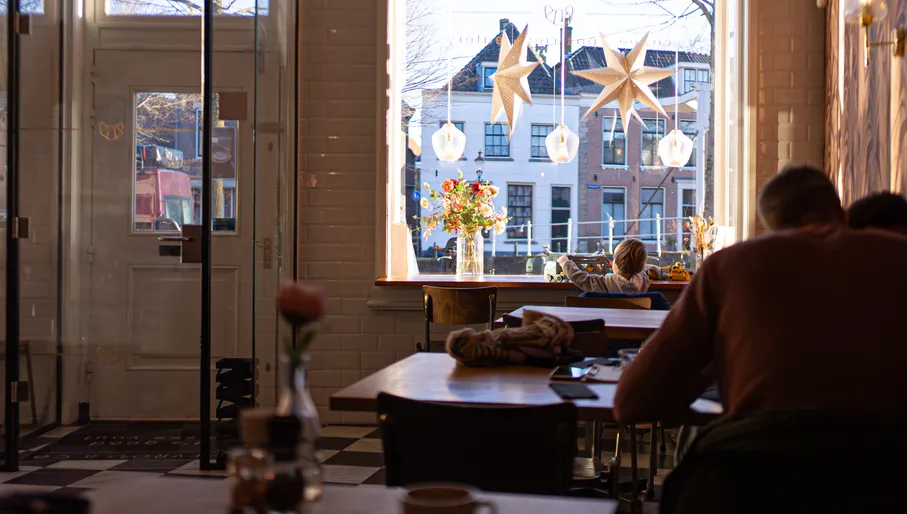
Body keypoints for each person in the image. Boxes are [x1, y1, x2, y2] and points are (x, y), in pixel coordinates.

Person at [613, 165, 907, 510]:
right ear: (841, 213)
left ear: (770, 228)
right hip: (886, 469)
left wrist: (705, 371)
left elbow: (631, 403)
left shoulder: (729, 266)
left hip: (753, 472)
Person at [556, 238, 650, 293]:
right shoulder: (643, 281)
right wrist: (620, 266)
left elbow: (581, 278)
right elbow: (642, 269)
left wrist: (565, 262)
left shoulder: (605, 283)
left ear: (615, 260)